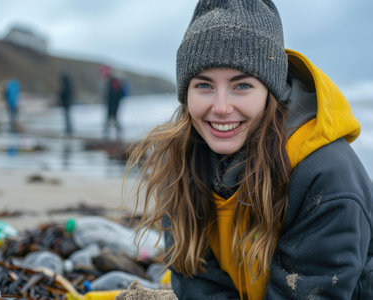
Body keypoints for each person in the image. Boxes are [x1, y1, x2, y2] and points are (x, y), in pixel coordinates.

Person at [125, 0, 373, 299]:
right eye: (204, 85)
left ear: (272, 90)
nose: (220, 108)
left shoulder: (325, 175)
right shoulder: (184, 159)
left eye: (241, 86)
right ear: (185, 93)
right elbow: (197, 282)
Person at [104, 74, 125, 139]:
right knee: (114, 118)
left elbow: (112, 95)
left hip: (112, 104)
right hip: (114, 104)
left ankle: (107, 133)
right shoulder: (114, 84)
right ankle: (117, 132)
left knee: (111, 118)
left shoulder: (113, 84)